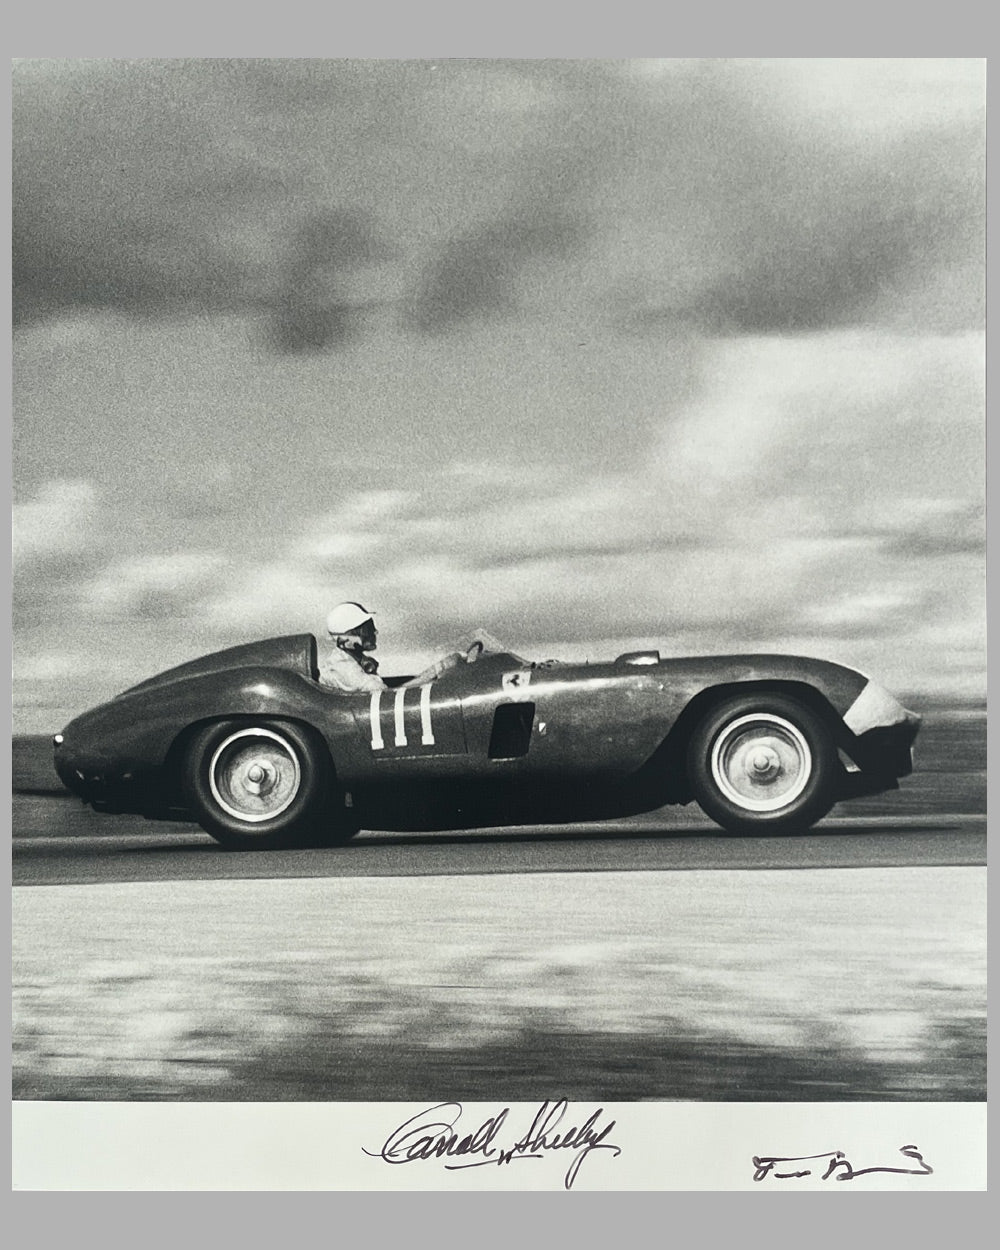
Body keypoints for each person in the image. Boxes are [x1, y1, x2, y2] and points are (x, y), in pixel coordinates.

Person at [319, 601, 387, 693]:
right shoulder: (342, 666)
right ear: (346, 639)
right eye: (366, 630)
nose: (375, 632)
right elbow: (378, 690)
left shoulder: (355, 660)